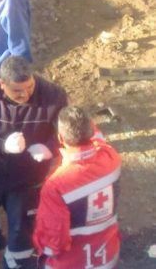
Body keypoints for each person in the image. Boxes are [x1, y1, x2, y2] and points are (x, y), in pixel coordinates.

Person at [0, 56, 68, 268]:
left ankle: (18, 260)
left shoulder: (53, 95)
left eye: (29, 87)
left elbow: (65, 133)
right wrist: (2, 146)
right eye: (17, 91)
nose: (25, 95)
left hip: (27, 178)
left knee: (23, 227)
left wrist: (49, 146)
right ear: (2, 84)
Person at [33, 106, 121, 269]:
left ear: (60, 137)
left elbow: (54, 241)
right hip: (108, 257)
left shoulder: (56, 185)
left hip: (74, 263)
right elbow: (99, 140)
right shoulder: (111, 157)